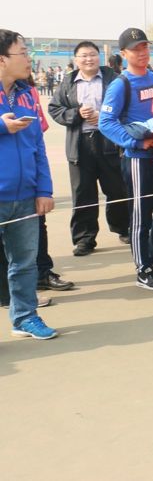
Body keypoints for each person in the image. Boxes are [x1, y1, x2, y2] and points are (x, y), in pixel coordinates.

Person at [98, 28, 153, 290]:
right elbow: (106, 122)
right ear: (124, 54)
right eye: (136, 49)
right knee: (141, 216)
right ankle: (143, 269)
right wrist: (136, 142)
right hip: (138, 158)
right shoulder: (120, 84)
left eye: (145, 47)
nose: (142, 53)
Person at [48, 41, 130, 257]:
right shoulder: (68, 81)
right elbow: (55, 108)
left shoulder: (113, 78)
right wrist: (76, 114)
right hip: (80, 145)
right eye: (83, 56)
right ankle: (84, 238)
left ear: (99, 57)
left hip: (109, 142)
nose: (88, 59)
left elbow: (126, 106)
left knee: (117, 189)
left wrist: (103, 116)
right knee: (83, 193)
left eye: (92, 54)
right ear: (76, 60)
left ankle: (123, 228)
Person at [0, 29, 57, 339]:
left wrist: (44, 190)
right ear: (2, 59)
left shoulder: (27, 94)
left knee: (24, 263)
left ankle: (24, 317)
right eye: (22, 53)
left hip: (24, 197)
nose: (29, 59)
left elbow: (38, 147)